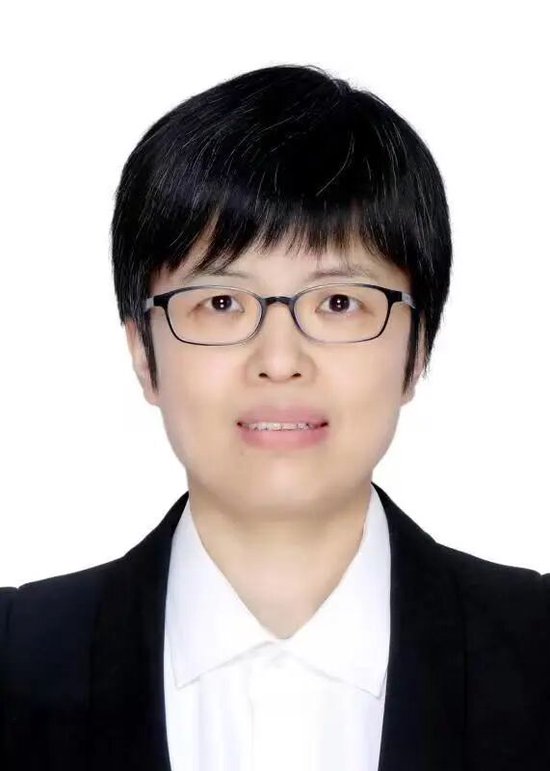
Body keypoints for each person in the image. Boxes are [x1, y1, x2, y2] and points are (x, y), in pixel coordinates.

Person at [1, 63, 548, 771]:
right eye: (221, 303)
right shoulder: (16, 660)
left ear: (418, 351)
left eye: (339, 303)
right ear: (143, 354)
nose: (280, 359)